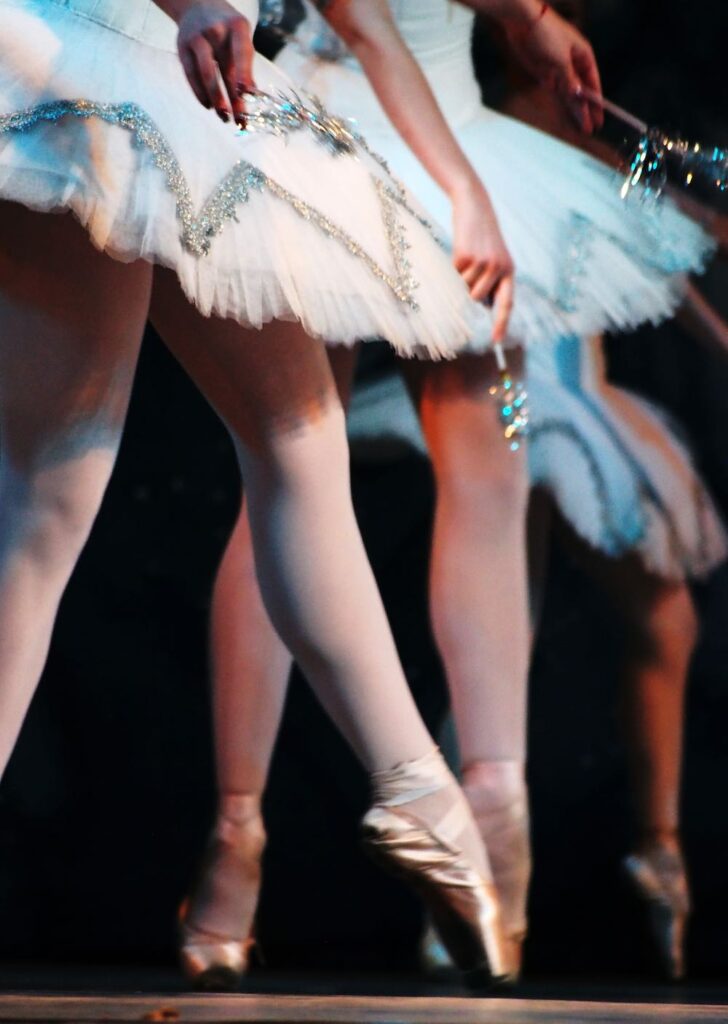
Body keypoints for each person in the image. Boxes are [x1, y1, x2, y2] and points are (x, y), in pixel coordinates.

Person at [0, 0, 557, 991]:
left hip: (176, 86)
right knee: (58, 502)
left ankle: (417, 797)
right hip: (100, 70)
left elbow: (365, 19)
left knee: (288, 443)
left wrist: (517, 35)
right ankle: (412, 797)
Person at [179, 0, 714, 989]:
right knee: (293, 456)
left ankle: (489, 826)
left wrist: (525, 17)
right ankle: (240, 826)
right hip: (331, 120)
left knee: (478, 467)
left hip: (442, 112)